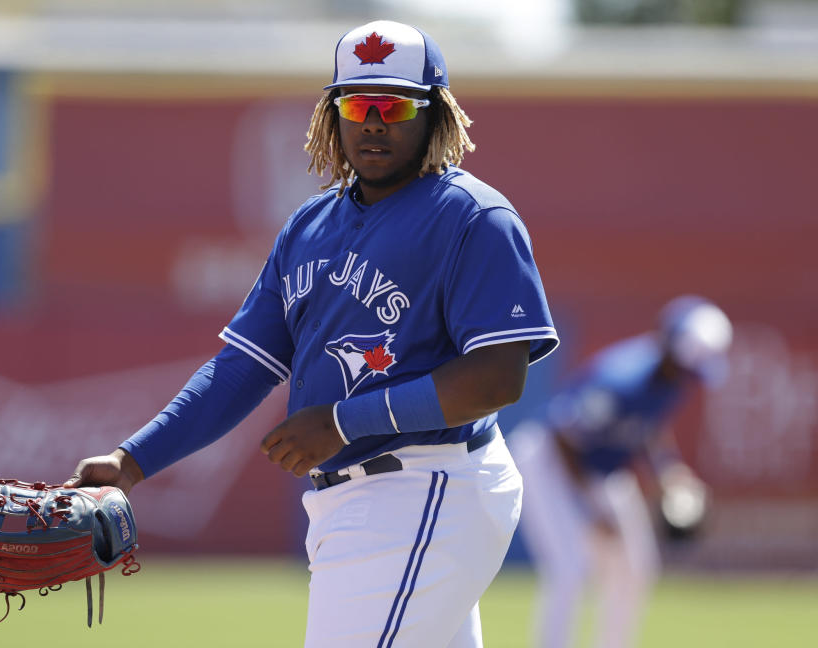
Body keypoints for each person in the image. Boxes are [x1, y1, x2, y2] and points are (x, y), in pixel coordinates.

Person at [65, 20, 559, 647]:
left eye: (395, 105)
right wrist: (132, 461)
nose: (373, 121)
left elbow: (497, 378)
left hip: (428, 485)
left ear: (435, 117)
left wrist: (342, 422)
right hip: (346, 503)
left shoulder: (473, 217)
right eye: (356, 103)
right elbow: (243, 367)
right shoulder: (310, 224)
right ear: (333, 115)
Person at [507, 295, 733, 648]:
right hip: (550, 460)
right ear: (671, 349)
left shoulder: (670, 378)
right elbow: (567, 440)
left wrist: (669, 475)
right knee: (569, 568)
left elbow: (647, 428)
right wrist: (590, 512)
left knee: (636, 565)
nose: (689, 377)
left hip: (596, 467)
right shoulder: (621, 379)